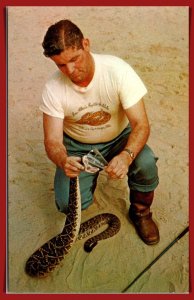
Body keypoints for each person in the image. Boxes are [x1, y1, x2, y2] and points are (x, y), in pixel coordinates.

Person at [40, 19, 160, 245]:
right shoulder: (52, 89)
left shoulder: (118, 70)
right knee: (67, 203)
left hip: (119, 138)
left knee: (145, 163)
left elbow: (141, 124)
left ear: (86, 44)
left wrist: (126, 156)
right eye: (61, 65)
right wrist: (63, 159)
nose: (70, 71)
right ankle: (88, 182)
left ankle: (141, 213)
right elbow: (53, 141)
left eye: (74, 59)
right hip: (77, 147)